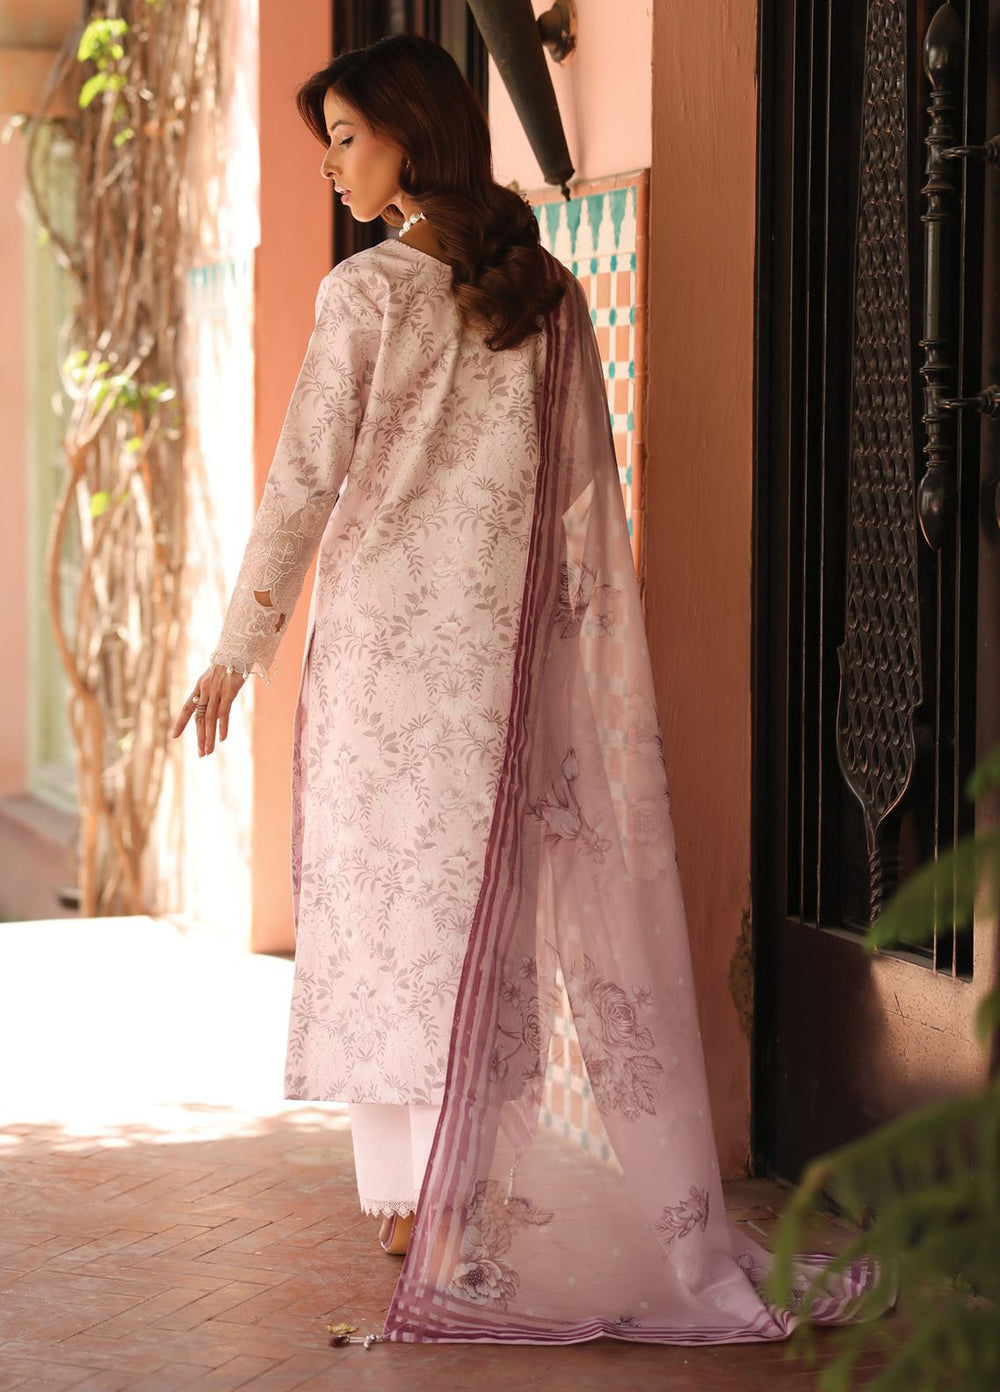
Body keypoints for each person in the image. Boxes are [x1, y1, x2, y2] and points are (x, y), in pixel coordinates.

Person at [174, 33, 888, 1347]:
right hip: (498, 663)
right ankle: (459, 1199)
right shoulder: (546, 292)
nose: (332, 164)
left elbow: (303, 487)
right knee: (477, 923)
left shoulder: (365, 295)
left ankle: (414, 1204)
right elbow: (579, 494)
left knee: (390, 924)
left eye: (346, 137)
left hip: (383, 664)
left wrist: (237, 649)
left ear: (412, 132)